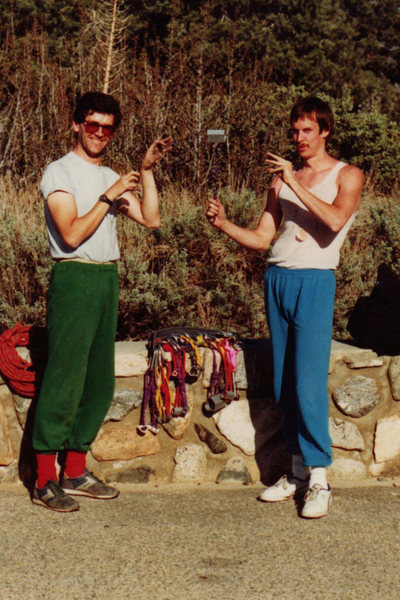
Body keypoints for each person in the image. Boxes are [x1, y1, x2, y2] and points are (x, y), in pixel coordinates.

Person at [206, 96, 364, 518]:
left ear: (325, 131)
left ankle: (319, 479)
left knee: (309, 383)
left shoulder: (347, 174)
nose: (299, 138)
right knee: (283, 382)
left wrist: (294, 183)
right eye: (294, 131)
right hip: (278, 278)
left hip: (314, 280)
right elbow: (263, 237)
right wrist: (224, 225)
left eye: (307, 130)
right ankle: (295, 471)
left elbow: (334, 221)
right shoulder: (280, 180)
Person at [32, 91, 172, 512]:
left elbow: (152, 219)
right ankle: (43, 480)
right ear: (76, 124)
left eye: (107, 128)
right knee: (64, 379)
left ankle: (74, 471)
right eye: (91, 124)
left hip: (106, 277)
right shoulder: (59, 172)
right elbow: (71, 234)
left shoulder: (110, 172)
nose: (98, 134)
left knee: (97, 382)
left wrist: (145, 172)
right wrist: (110, 195)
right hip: (74, 276)